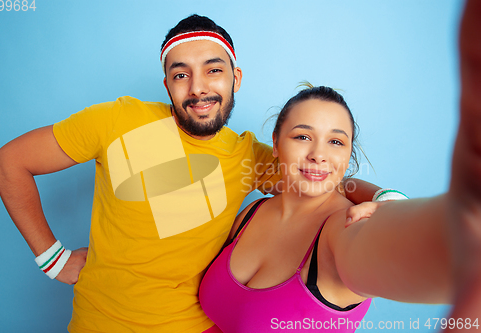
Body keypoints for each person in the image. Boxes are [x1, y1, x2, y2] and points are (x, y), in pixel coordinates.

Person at [0, 14, 384, 333]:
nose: (198, 88)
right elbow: (8, 164)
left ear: (235, 78)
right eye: (181, 75)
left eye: (213, 70)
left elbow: (328, 177)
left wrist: (385, 200)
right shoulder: (116, 121)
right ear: (167, 84)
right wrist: (52, 259)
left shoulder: (249, 155)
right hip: (98, 324)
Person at [199, 2, 481, 332]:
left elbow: (453, 251)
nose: (319, 155)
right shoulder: (251, 212)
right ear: (276, 144)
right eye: (303, 136)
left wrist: (400, 203)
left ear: (347, 155)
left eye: (336, 142)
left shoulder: (344, 231)